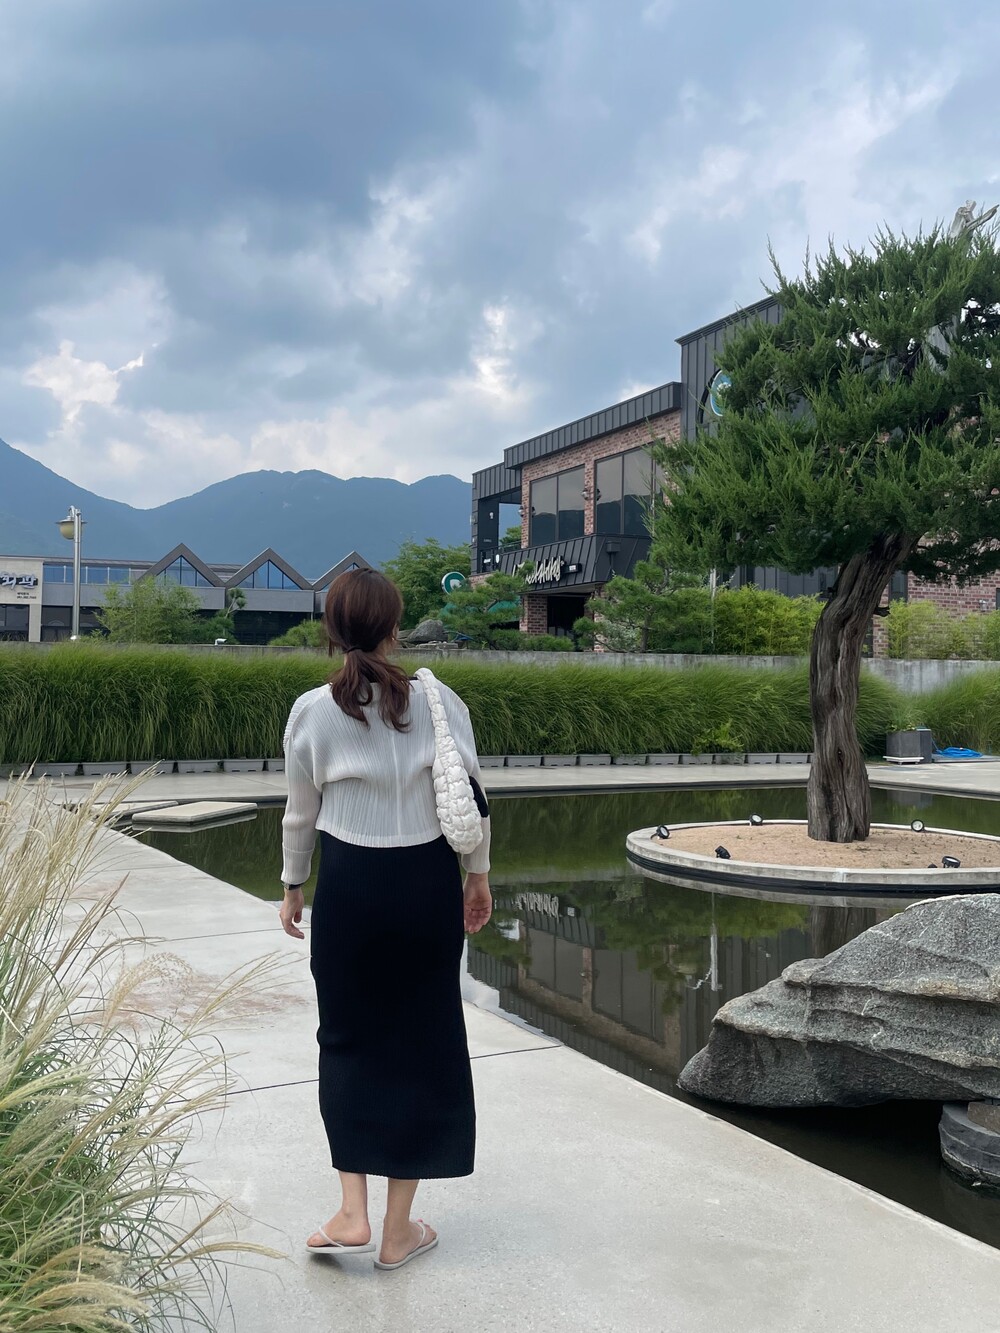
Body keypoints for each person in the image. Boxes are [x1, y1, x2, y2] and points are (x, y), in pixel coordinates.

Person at [279, 568, 492, 1271]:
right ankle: (398, 1231)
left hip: (349, 885)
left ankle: (352, 1212)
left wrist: (292, 886)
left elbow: (300, 814)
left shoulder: (312, 711)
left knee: (346, 1036)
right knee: (423, 1040)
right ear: (395, 628)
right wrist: (478, 875)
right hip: (426, 883)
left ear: (332, 629)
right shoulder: (438, 699)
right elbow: (472, 794)